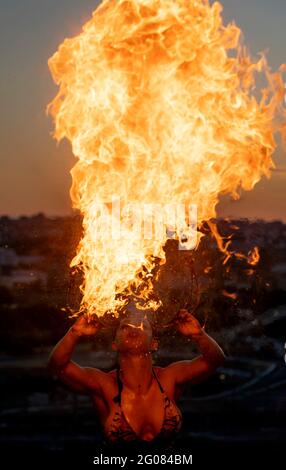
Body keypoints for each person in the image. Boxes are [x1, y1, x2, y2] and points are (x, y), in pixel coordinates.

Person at [48, 308, 225, 450]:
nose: (133, 328)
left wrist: (198, 335)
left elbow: (215, 361)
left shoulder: (169, 377)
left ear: (154, 344)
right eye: (124, 326)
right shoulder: (104, 384)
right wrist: (74, 333)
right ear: (115, 345)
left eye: (141, 325)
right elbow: (58, 366)